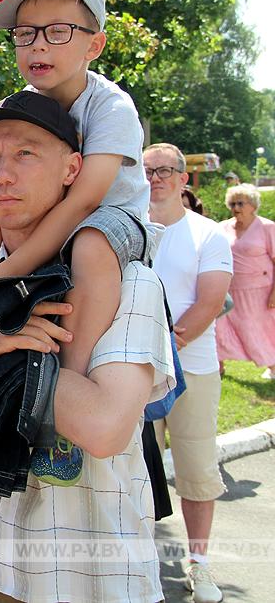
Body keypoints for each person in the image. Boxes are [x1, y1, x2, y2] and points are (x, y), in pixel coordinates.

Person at [0, 94, 175, 602]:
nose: (3, 174)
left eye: (26, 154)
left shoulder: (126, 281)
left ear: (74, 168)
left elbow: (103, 428)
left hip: (95, 581)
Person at [0, 0, 152, 483]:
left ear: (96, 44)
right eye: (25, 34)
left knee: (90, 244)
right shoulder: (19, 104)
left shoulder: (111, 106)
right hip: (42, 225)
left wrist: (6, 272)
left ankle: (66, 379)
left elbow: (84, 200)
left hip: (112, 226)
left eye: (58, 31)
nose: (38, 45)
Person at [145, 143, 232, 603]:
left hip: (191, 370)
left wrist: (164, 349)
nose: (155, 178)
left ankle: (199, 564)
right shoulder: (127, 230)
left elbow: (210, 303)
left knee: (197, 472)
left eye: (164, 171)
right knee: (135, 471)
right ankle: (136, 564)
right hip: (134, 372)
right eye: (146, 171)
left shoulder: (209, 234)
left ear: (183, 179)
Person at [215, 183, 275, 378]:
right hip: (229, 289)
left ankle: (272, 365)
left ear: (253, 205)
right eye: (232, 203)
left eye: (241, 203)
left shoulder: (267, 227)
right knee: (221, 328)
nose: (236, 208)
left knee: (258, 329)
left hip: (260, 291)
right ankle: (218, 366)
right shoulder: (222, 227)